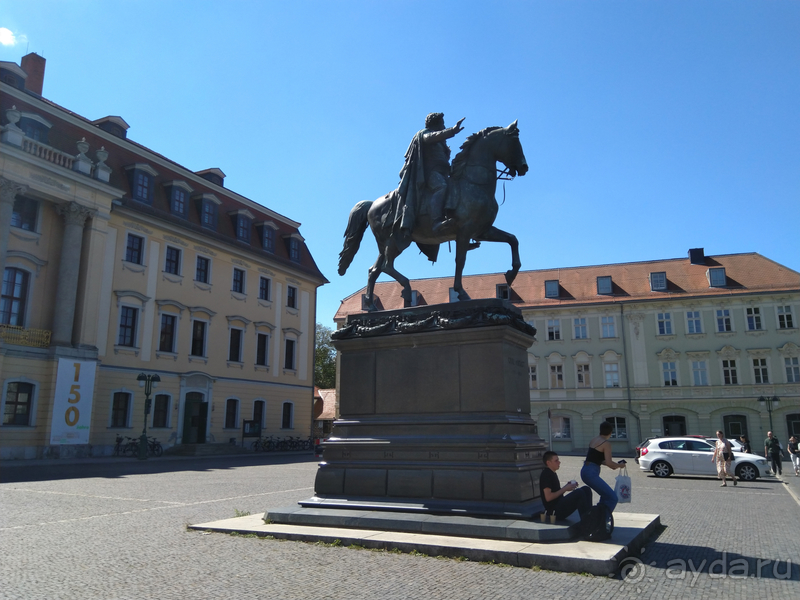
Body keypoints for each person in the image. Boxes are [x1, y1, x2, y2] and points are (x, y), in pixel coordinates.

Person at [397, 112, 465, 237]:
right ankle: (436, 222)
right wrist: (452, 130)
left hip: (443, 172)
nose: (444, 126)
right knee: (441, 186)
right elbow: (432, 137)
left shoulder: (441, 143)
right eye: (442, 124)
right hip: (427, 174)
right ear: (436, 124)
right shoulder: (424, 134)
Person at [580, 421, 626, 513]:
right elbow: (609, 463)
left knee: (605, 496)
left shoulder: (594, 440)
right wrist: (619, 465)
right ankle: (603, 520)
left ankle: (598, 516)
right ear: (610, 432)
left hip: (586, 469)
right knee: (612, 498)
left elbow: (598, 459)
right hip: (591, 472)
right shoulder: (606, 443)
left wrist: (615, 465)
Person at [539, 451, 592, 521]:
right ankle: (587, 521)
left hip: (559, 504)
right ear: (548, 463)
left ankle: (590, 516)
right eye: (556, 461)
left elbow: (556, 492)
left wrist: (567, 486)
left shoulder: (552, 473)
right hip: (554, 512)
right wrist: (565, 489)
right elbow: (548, 497)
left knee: (586, 489)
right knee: (579, 493)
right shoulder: (546, 475)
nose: (559, 462)